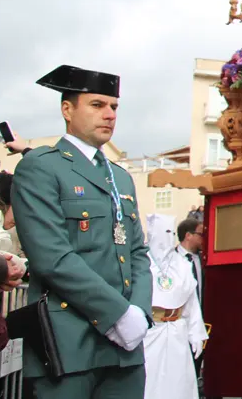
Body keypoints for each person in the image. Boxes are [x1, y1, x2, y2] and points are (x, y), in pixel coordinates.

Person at [12, 64, 153, 398]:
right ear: (67, 109)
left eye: (114, 107)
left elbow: (137, 253)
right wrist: (119, 315)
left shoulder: (120, 177)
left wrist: (139, 313)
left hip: (124, 352)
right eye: (97, 105)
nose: (109, 114)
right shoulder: (42, 167)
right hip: (69, 344)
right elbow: (52, 258)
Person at [142, 214, 207, 399]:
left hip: (177, 331)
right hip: (150, 332)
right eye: (164, 231)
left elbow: (191, 303)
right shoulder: (141, 262)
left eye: (171, 232)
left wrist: (196, 333)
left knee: (177, 382)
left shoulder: (181, 263)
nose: (168, 236)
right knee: (150, 381)